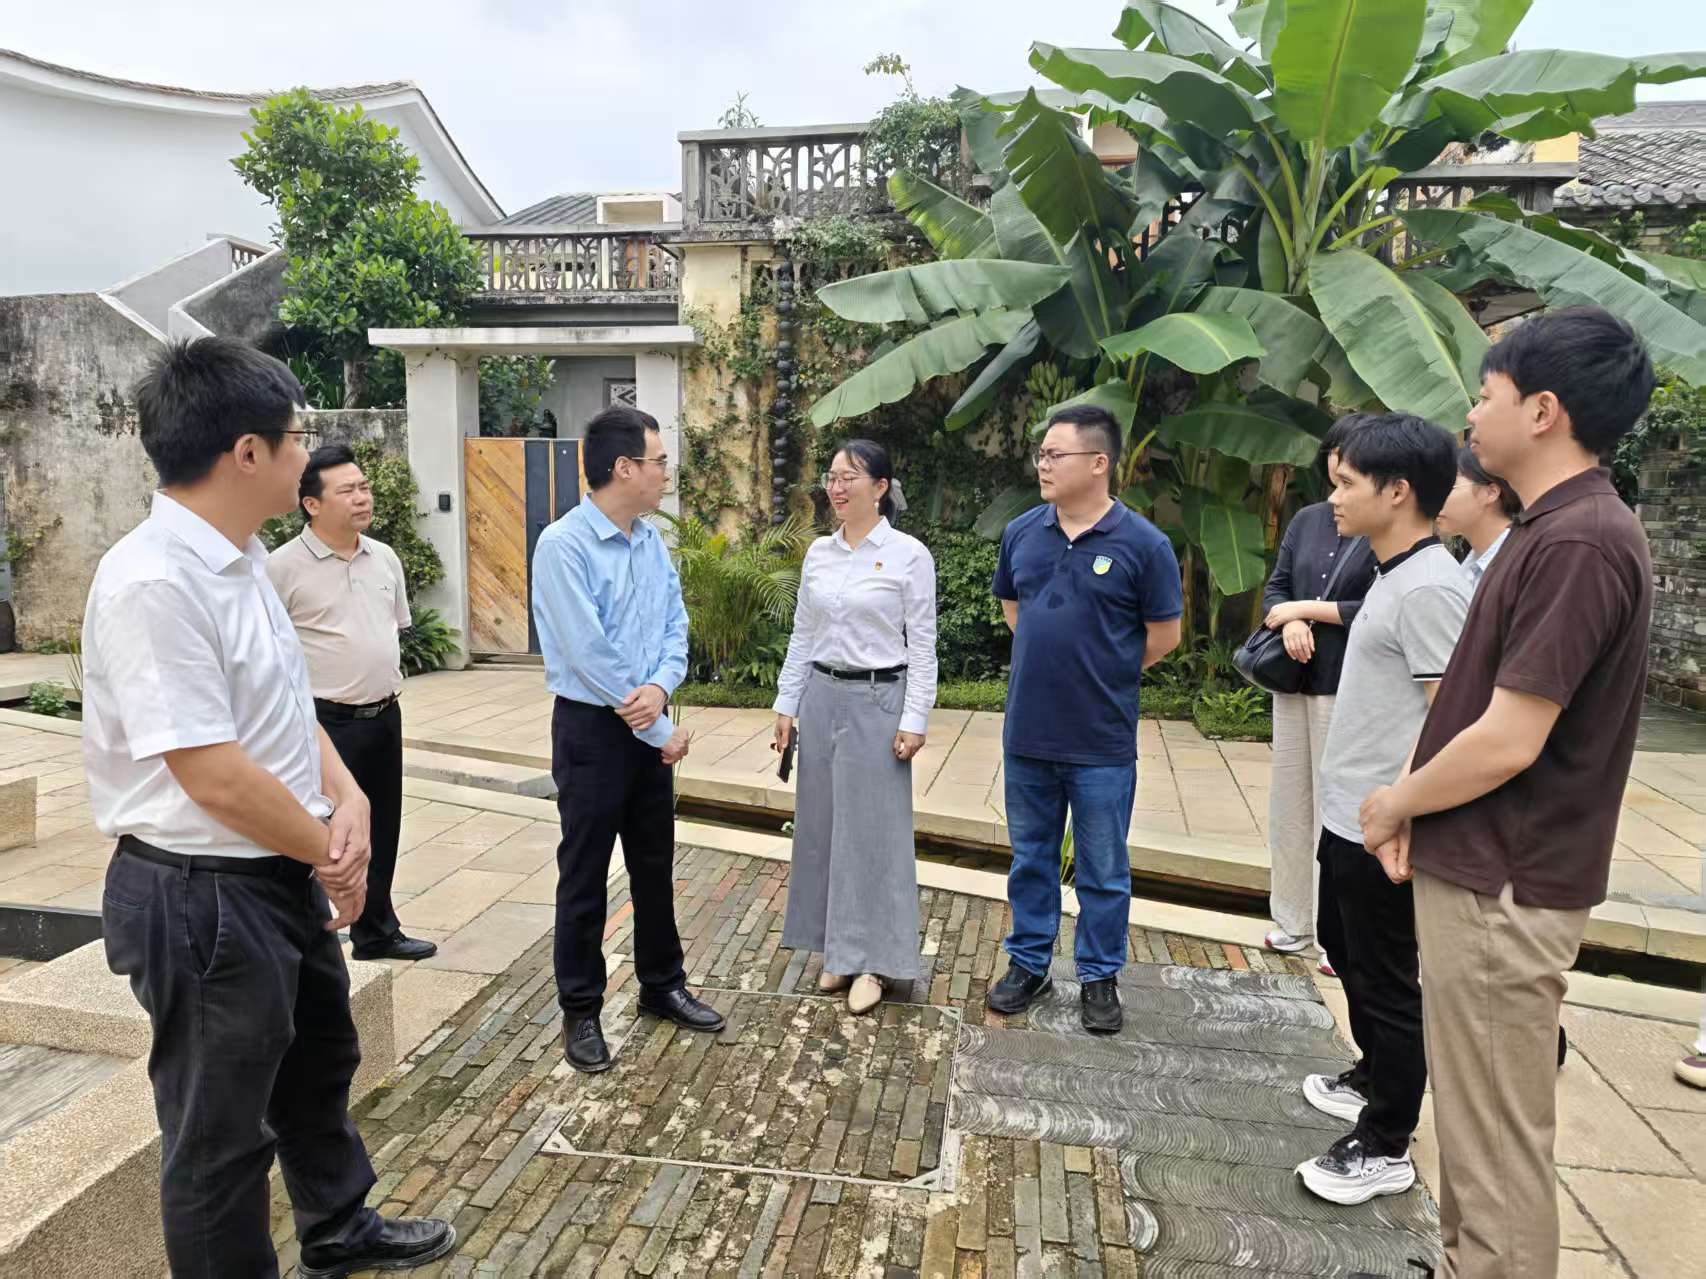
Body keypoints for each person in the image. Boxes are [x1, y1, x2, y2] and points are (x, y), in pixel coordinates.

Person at [83, 338, 453, 1277]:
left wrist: (347, 793)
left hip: (272, 868)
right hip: (202, 892)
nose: (306, 454)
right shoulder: (154, 581)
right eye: (296, 437)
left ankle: (337, 1224)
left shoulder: (241, 559)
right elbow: (209, 771)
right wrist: (330, 848)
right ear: (246, 453)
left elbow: (285, 709)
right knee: (219, 1139)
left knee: (317, 1060)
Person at [1360, 308, 1657, 1277]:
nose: (1470, 415)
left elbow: (1508, 736)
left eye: (1484, 395)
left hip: (1506, 880)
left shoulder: (1579, 542)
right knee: (1477, 1120)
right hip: (1486, 864)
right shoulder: (1550, 529)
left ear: (1541, 411)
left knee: (1494, 1140)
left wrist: (1395, 802)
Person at [1293, 413, 1468, 1207]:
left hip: (1381, 824)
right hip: (1349, 811)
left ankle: (1387, 1138)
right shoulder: (1393, 573)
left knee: (1387, 975)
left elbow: (1449, 716)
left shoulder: (1429, 586)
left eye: (1347, 483)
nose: (1333, 497)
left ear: (1397, 492)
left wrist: (1402, 810)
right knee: (1345, 947)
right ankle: (1374, 1073)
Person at [531, 404, 723, 1074]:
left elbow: (675, 624)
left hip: (645, 720)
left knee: (653, 863)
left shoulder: (650, 542)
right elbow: (588, 651)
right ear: (623, 467)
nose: (666, 472)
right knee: (584, 872)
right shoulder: (563, 545)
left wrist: (663, 689)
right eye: (658, 461)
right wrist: (660, 725)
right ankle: (581, 1008)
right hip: (593, 730)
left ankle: (661, 983)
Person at [986, 404, 1183, 1033]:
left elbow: (1164, 635)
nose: (1042, 464)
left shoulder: (1144, 545)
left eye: (1055, 454)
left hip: (1101, 740)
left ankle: (1099, 977)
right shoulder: (1022, 532)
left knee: (1103, 869)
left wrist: (1103, 670)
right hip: (1028, 733)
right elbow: (1015, 610)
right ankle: (1030, 964)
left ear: (1099, 463)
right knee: (1031, 860)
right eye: (1041, 454)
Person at [773, 439, 938, 1015]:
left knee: (874, 833)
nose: (837, 487)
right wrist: (786, 704)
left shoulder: (909, 555)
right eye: (832, 476)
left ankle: (876, 962)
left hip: (878, 699)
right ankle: (838, 951)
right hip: (821, 696)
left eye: (850, 477)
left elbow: (924, 645)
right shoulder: (819, 554)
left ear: (881, 487)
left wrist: (915, 718)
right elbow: (803, 634)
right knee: (822, 826)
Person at [268, 445, 435, 962]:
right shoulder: (280, 568)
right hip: (323, 723)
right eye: (347, 490)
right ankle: (312, 935)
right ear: (312, 504)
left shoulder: (383, 556)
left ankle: (376, 931)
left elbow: (392, 628)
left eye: (364, 487)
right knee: (321, 829)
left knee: (381, 826)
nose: (362, 497)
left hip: (382, 715)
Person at [1257, 415, 1377, 969]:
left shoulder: (1380, 524)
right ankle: (1291, 922)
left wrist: (1305, 611)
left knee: (1339, 809)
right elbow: (1276, 588)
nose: (1338, 461)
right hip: (1293, 682)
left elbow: (1373, 607)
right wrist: (1287, 621)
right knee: (1289, 804)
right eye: (1334, 450)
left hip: (1345, 684)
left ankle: (1338, 934)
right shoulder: (1307, 519)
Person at [1435, 441, 1520, 593]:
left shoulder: (1520, 560)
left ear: (1490, 493)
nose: (1436, 497)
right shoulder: (1471, 565)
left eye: (1449, 486)